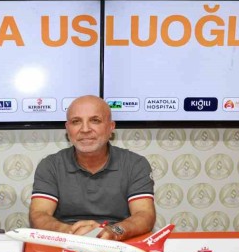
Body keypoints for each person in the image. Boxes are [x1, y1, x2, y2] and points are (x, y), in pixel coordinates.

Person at [29, 95, 155, 240]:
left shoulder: (135, 164)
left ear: (111, 127)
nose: (85, 129)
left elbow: (144, 215)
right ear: (67, 129)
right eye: (76, 122)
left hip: (120, 240)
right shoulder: (50, 165)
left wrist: (114, 232)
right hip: (65, 239)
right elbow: (39, 215)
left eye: (95, 121)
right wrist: (71, 232)